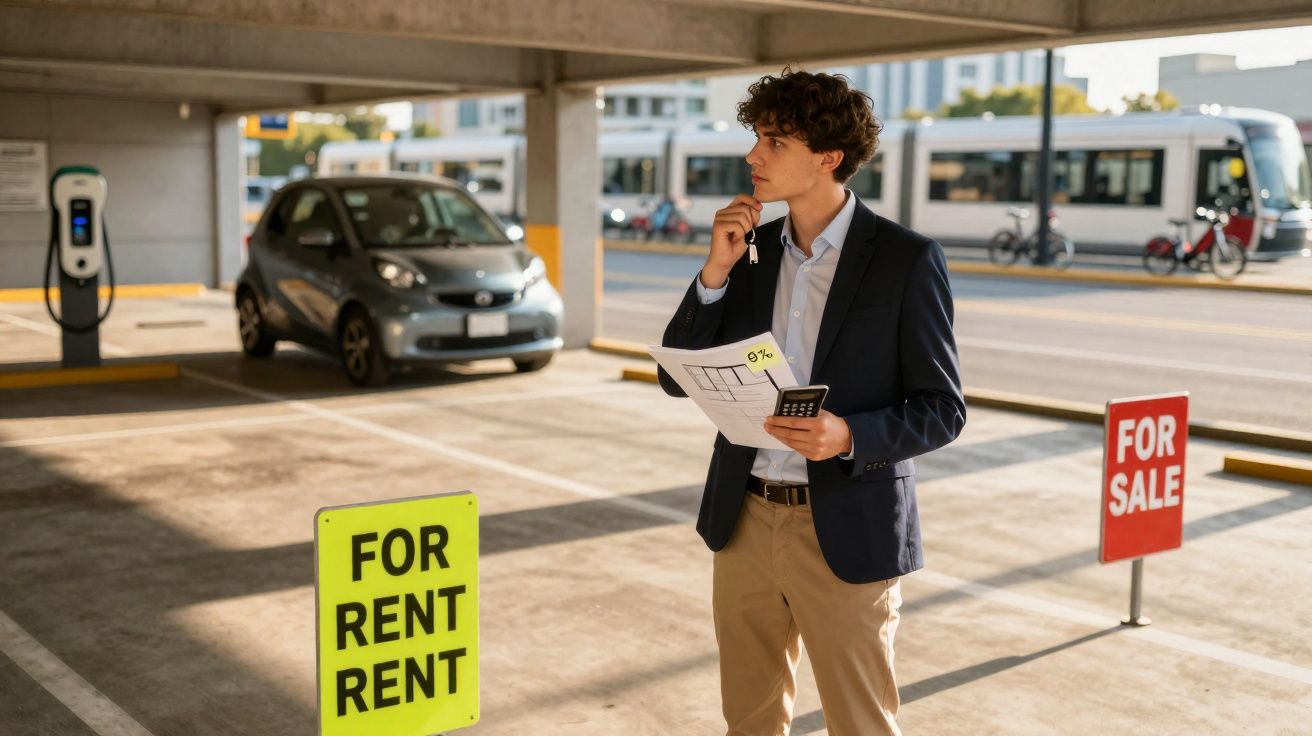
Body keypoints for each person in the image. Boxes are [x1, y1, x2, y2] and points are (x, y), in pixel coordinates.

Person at [657, 67, 966, 736]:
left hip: (847, 530)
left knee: (861, 723)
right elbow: (677, 376)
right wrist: (714, 271)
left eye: (773, 141)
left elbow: (943, 408)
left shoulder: (905, 261)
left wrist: (847, 436)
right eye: (756, 138)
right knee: (750, 720)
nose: (752, 156)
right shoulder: (749, 251)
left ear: (827, 157)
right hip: (744, 520)